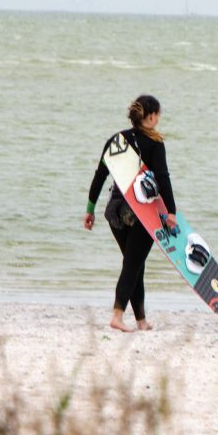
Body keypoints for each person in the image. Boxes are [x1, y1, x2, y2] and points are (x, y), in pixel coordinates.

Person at [84, 95, 178, 332]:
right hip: (141, 213)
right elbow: (163, 179)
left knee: (135, 264)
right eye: (158, 114)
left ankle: (141, 320)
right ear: (152, 116)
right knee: (132, 265)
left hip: (115, 212)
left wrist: (90, 210)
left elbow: (100, 175)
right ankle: (117, 315)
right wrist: (171, 212)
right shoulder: (155, 144)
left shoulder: (116, 140)